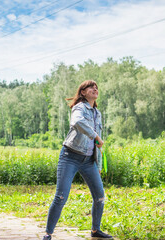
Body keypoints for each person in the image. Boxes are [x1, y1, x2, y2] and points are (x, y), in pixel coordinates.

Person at [42, 80, 113, 240]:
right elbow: (77, 122)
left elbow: (97, 145)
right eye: (91, 87)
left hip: (89, 161)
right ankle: (48, 234)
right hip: (70, 157)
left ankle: (96, 230)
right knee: (61, 197)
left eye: (97, 86)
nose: (95, 88)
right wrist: (95, 136)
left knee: (100, 196)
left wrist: (98, 164)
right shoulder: (79, 108)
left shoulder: (97, 113)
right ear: (83, 92)